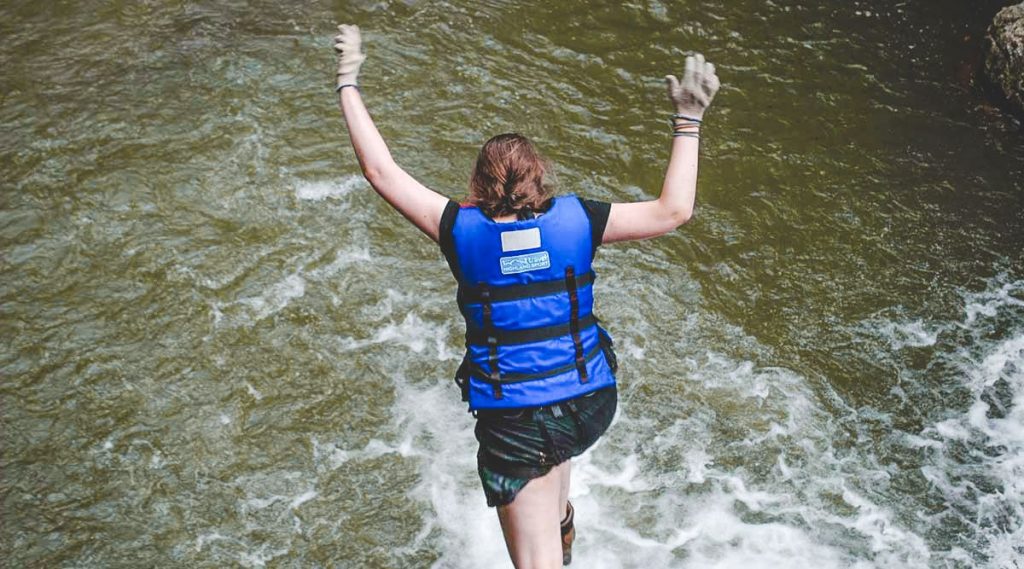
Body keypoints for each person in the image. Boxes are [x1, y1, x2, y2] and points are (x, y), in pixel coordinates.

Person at [332, 24, 719, 569]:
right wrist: (689, 120)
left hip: (518, 422)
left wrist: (348, 81)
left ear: (477, 187)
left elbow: (380, 170)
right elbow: (673, 210)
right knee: (551, 476)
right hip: (589, 405)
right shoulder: (579, 220)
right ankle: (559, 521)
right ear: (540, 180)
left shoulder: (459, 230)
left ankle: (552, 531)